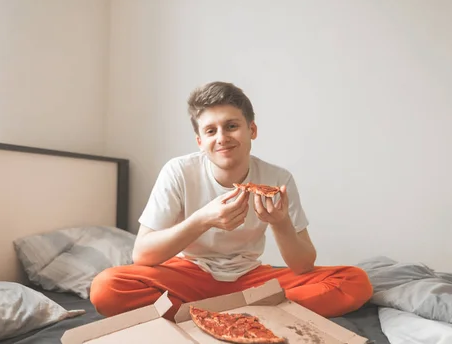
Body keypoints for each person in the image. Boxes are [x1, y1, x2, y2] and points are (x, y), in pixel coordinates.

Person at [90, 81, 373, 321]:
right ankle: (251, 314)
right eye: (211, 131)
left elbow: (303, 266)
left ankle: (208, 314)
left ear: (252, 130)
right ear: (200, 141)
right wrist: (203, 220)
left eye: (231, 126)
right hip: (190, 274)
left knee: (355, 281)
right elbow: (142, 255)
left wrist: (281, 223)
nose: (222, 138)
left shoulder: (278, 178)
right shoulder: (178, 171)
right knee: (106, 288)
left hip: (249, 278)